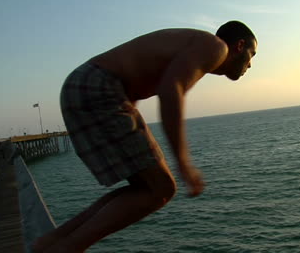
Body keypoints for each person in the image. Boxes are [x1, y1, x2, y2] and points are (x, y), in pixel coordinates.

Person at [33, 21, 257, 253]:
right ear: (240, 45)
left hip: (87, 85)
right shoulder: (216, 47)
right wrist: (183, 163)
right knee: (161, 189)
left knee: (146, 187)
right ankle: (64, 248)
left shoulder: (197, 47)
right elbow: (171, 90)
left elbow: (139, 76)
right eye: (252, 55)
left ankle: (51, 242)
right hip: (98, 86)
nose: (250, 65)